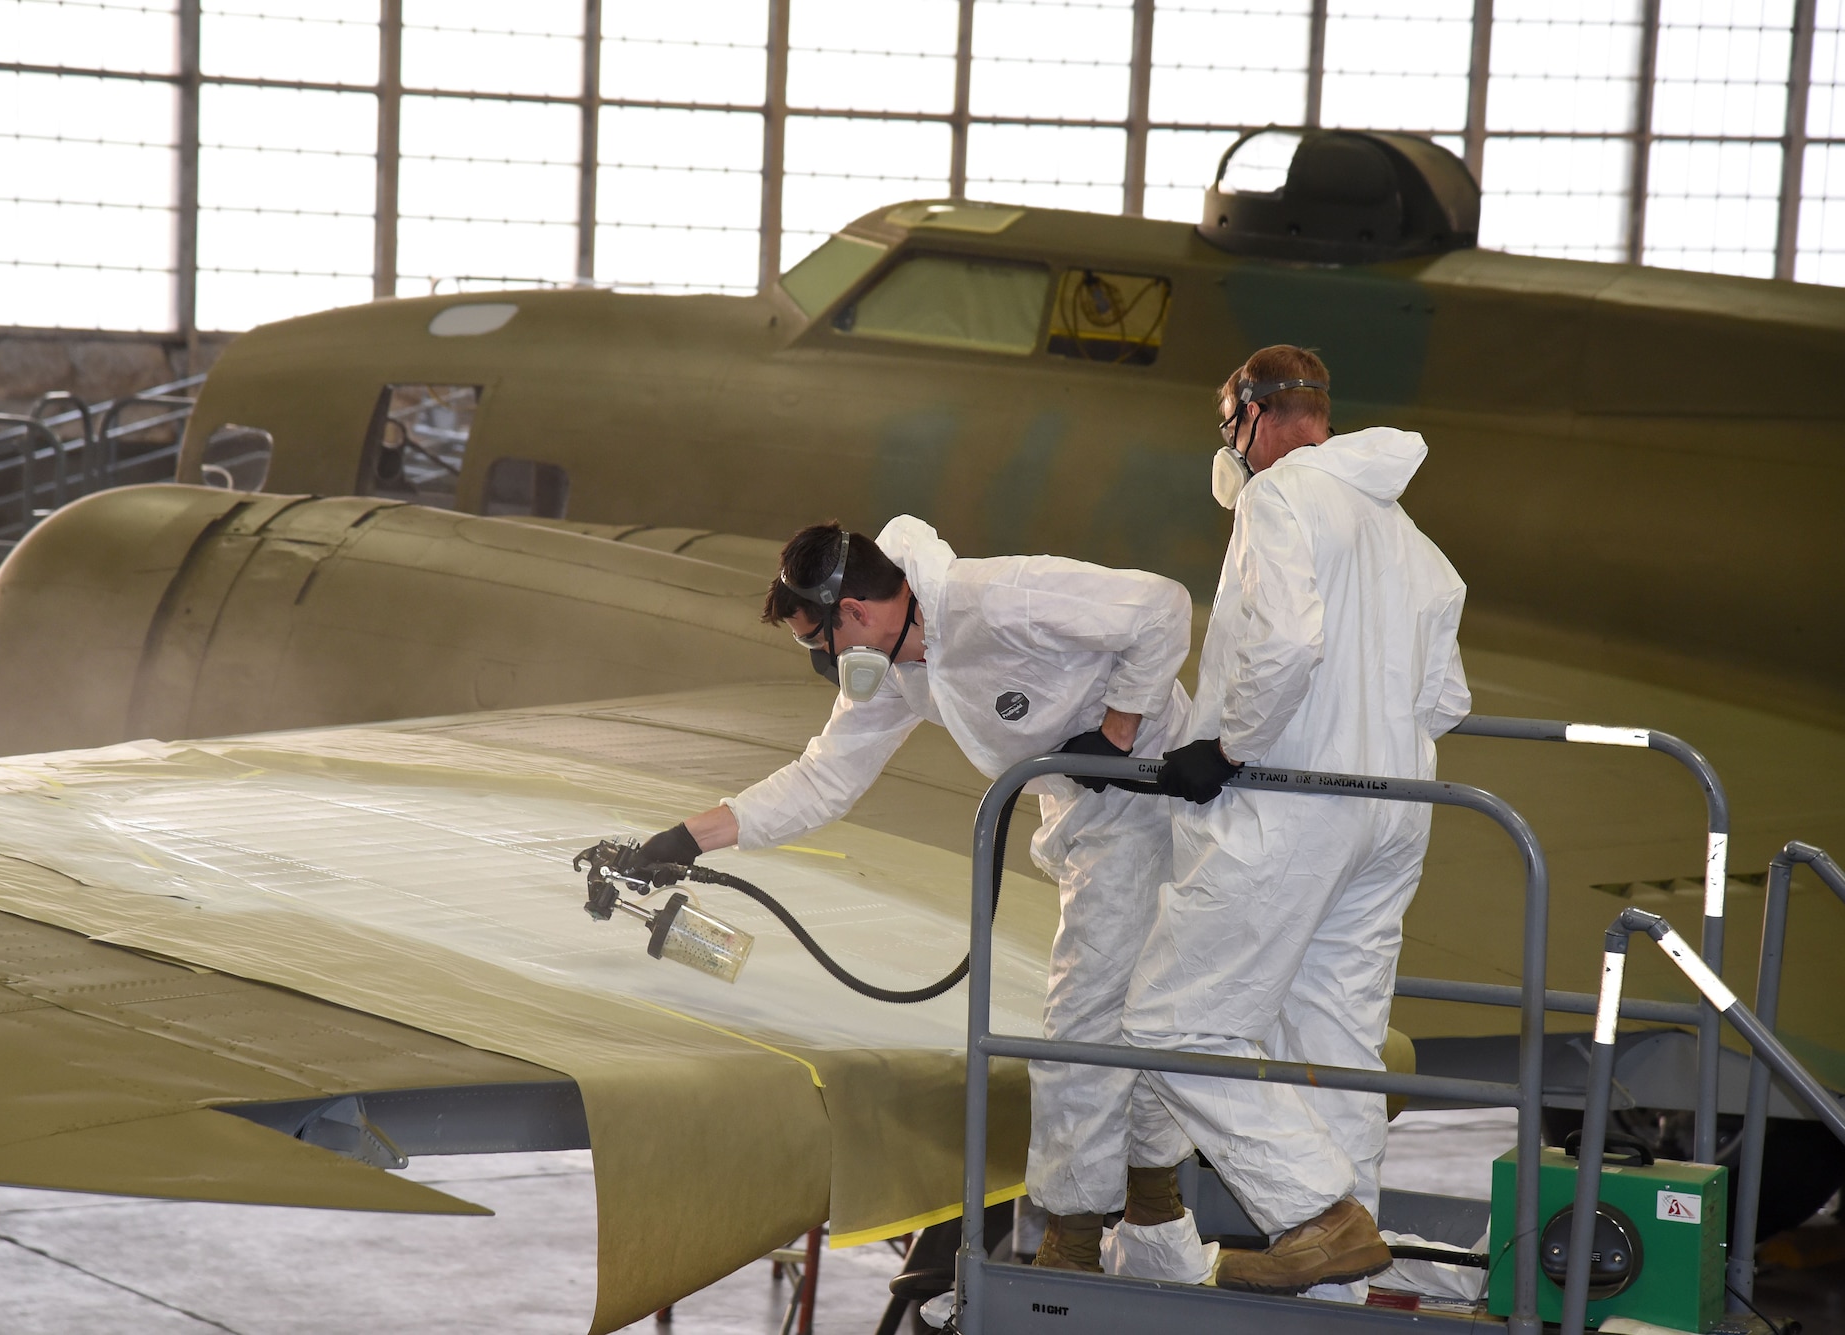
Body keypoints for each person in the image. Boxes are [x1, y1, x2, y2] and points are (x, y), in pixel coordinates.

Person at [610, 515, 1205, 1275]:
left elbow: (1159, 606)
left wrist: (1118, 731)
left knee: (1085, 1022)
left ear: (853, 613)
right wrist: (686, 839)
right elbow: (823, 778)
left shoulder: (993, 598)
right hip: (1093, 814)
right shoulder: (899, 670)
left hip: (1158, 789)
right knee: (1141, 1013)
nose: (824, 660)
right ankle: (1153, 1212)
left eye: (818, 641)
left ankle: (1074, 1239)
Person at [1123, 345, 1470, 1297]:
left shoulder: (1278, 501)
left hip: (1293, 804)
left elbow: (1283, 645)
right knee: (1337, 1037)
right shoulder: (1405, 530)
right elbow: (1446, 696)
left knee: (1171, 1026)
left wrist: (1226, 747)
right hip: (1396, 812)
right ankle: (1338, 1285)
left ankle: (1318, 1218)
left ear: (1251, 417)